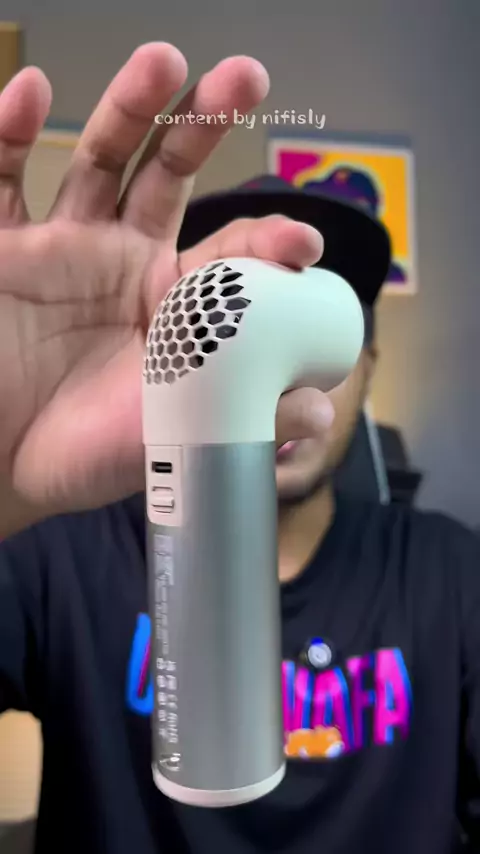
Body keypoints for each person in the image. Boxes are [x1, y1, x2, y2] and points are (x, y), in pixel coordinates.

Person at [0, 42, 479, 854]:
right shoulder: (60, 555)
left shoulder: (450, 577)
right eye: (229, 326)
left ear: (366, 361)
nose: (274, 378)